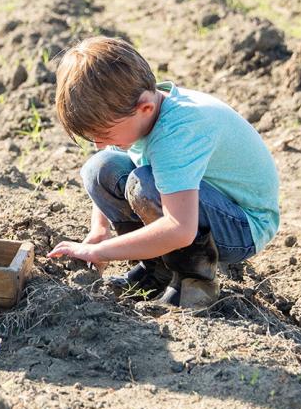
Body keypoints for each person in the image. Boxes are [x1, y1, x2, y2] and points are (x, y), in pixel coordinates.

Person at [48, 37, 280, 308]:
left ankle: (193, 282)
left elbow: (179, 229)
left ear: (144, 107)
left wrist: (98, 252)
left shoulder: (176, 135)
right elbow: (111, 163)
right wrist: (99, 230)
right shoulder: (145, 111)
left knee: (144, 184)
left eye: (104, 133)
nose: (99, 143)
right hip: (207, 204)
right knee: (101, 168)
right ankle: (157, 270)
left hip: (245, 226)